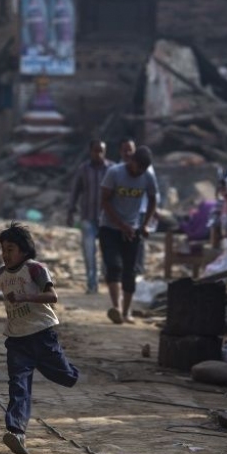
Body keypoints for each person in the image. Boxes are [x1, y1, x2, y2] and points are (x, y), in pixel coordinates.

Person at [0, 222, 79, 454]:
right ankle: (17, 432)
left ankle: (53, 366)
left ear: (23, 250)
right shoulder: (1, 274)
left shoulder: (35, 269)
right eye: (3, 249)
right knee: (18, 385)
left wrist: (27, 296)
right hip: (16, 339)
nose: (5, 254)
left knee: (66, 377)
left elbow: (53, 296)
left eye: (10, 249)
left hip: (42, 335)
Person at [99, 145, 158, 324]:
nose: (139, 171)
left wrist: (146, 224)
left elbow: (153, 199)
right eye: (137, 166)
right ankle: (116, 308)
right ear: (131, 160)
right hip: (109, 227)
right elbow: (105, 200)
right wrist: (120, 224)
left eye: (143, 168)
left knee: (130, 270)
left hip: (132, 230)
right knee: (113, 266)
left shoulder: (147, 177)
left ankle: (127, 312)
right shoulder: (114, 173)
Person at [67, 140, 111, 294]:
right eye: (95, 151)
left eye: (101, 151)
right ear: (90, 151)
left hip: (108, 219)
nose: (98, 154)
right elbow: (75, 191)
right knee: (89, 252)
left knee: (108, 253)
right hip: (88, 217)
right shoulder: (83, 169)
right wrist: (70, 211)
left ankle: (108, 279)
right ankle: (92, 284)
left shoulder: (112, 169)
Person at [119, 139, 159, 278]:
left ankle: (138, 270)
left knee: (139, 241)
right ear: (121, 151)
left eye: (131, 150)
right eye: (125, 150)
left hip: (141, 210)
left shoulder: (146, 167)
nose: (128, 153)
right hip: (123, 211)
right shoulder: (118, 168)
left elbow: (153, 193)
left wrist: (154, 211)